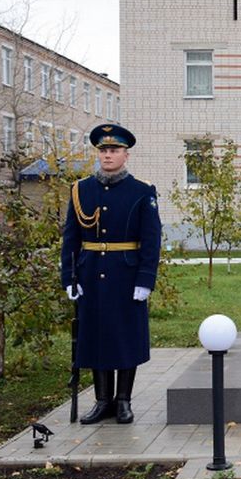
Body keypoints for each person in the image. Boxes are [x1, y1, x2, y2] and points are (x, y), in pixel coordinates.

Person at [61, 123, 162, 425]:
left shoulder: (142, 192)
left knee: (124, 338)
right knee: (96, 336)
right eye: (103, 150)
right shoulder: (81, 190)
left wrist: (145, 280)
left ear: (125, 155)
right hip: (90, 275)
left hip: (125, 276)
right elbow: (71, 238)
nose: (108, 155)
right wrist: (69, 277)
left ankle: (123, 401)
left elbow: (151, 239)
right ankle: (102, 400)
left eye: (114, 150)